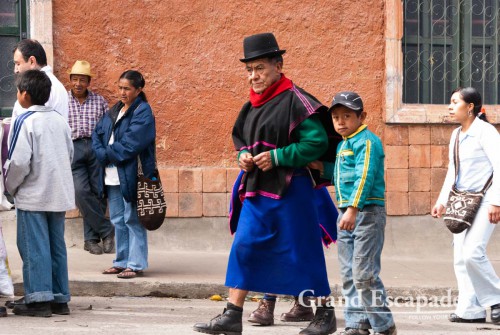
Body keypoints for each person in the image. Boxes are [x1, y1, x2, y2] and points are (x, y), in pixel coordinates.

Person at [193, 32, 337, 335]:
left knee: (302, 250)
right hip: (258, 190)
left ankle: (325, 314)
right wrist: (244, 156)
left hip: (292, 189)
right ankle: (232, 315)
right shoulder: (252, 105)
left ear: (278, 66)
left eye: (260, 68)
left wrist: (279, 157)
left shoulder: (296, 100)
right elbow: (242, 140)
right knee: (244, 247)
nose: (253, 76)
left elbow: (316, 142)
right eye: (249, 69)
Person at [309, 92, 397, 335]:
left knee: (363, 273)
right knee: (348, 273)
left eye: (347, 116)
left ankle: (384, 325)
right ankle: (356, 324)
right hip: (346, 213)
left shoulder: (367, 141)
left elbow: (364, 176)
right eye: (336, 117)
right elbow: (342, 173)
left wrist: (352, 209)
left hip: (365, 213)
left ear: (362, 116)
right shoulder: (343, 144)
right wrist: (322, 167)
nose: (340, 122)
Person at [4, 69, 74, 317]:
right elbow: (69, 154)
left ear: (25, 94)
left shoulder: (25, 121)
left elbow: (19, 162)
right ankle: (59, 297)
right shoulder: (60, 120)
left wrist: (10, 187)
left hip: (33, 195)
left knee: (34, 246)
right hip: (58, 193)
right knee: (56, 246)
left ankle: (39, 299)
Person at [431, 87, 500, 324]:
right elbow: (454, 171)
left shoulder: (486, 132)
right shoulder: (457, 135)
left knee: (472, 252)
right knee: (460, 257)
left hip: (486, 201)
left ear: (470, 107)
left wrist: (496, 202)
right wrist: (442, 201)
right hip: (462, 201)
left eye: (454, 102)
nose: (449, 107)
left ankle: (496, 299)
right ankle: (470, 310)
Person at [92, 70, 155, 279]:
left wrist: (106, 154)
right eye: (120, 87)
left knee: (133, 219)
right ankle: (121, 261)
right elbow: (97, 133)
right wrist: (102, 154)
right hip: (112, 175)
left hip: (131, 174)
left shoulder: (143, 111)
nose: (122, 92)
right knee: (118, 219)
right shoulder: (115, 110)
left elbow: (132, 143)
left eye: (127, 88)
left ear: (138, 89)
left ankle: (135, 263)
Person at [67, 60, 115, 255]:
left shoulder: (100, 101)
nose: (78, 83)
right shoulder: (62, 101)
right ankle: (107, 230)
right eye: (75, 79)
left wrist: (106, 150)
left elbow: (108, 127)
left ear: (88, 82)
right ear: (70, 80)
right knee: (80, 191)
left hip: (95, 147)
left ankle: (90, 239)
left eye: (82, 80)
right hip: (73, 147)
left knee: (98, 192)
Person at [11, 39, 69, 124]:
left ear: (32, 61)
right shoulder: (54, 85)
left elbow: (29, 128)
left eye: (18, 64)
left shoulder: (40, 87)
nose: (15, 70)